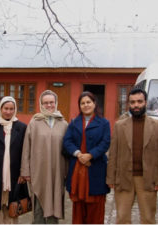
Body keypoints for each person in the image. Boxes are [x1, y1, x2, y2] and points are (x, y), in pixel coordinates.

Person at [106, 88, 158, 224]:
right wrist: (111, 177)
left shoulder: (157, 126)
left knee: (148, 219)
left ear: (145, 103)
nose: (136, 105)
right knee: (122, 218)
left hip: (147, 179)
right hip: (123, 178)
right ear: (129, 104)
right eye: (132, 102)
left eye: (139, 101)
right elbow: (113, 154)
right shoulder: (119, 125)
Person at [63, 91, 111, 224]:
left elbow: (105, 142)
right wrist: (78, 154)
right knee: (78, 210)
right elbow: (67, 142)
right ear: (79, 106)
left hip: (96, 169)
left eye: (88, 102)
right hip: (77, 170)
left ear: (94, 104)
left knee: (95, 210)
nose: (86, 105)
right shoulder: (74, 123)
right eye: (82, 103)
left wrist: (90, 155)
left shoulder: (104, 123)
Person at [20, 90, 68, 224]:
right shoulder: (34, 123)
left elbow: (68, 150)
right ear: (41, 104)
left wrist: (68, 172)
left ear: (56, 103)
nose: (49, 105)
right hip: (38, 172)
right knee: (38, 207)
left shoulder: (64, 124)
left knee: (55, 202)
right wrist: (25, 171)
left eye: (51, 102)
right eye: (45, 103)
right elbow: (26, 149)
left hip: (57, 172)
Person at [0, 96, 28, 224]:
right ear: (0, 109)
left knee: (12, 207)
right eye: (6, 108)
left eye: (11, 109)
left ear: (15, 110)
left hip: (14, 174)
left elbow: (24, 152)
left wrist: (23, 171)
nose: (8, 111)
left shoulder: (21, 128)